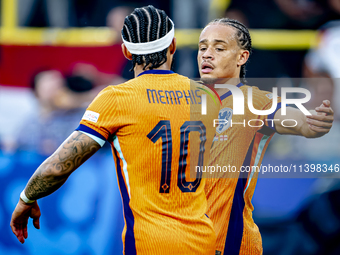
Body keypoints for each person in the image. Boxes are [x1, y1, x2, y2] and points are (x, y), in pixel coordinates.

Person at [10, 5, 219, 255]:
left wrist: (26, 199)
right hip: (204, 241)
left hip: (149, 243)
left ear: (126, 51)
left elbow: (58, 166)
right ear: (173, 46)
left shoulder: (117, 99)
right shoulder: (208, 97)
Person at [197, 18, 334, 255]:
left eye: (219, 48)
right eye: (203, 47)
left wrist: (311, 123)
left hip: (229, 239)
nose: (208, 55)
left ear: (241, 57)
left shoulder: (256, 101)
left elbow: (292, 119)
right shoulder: (181, 96)